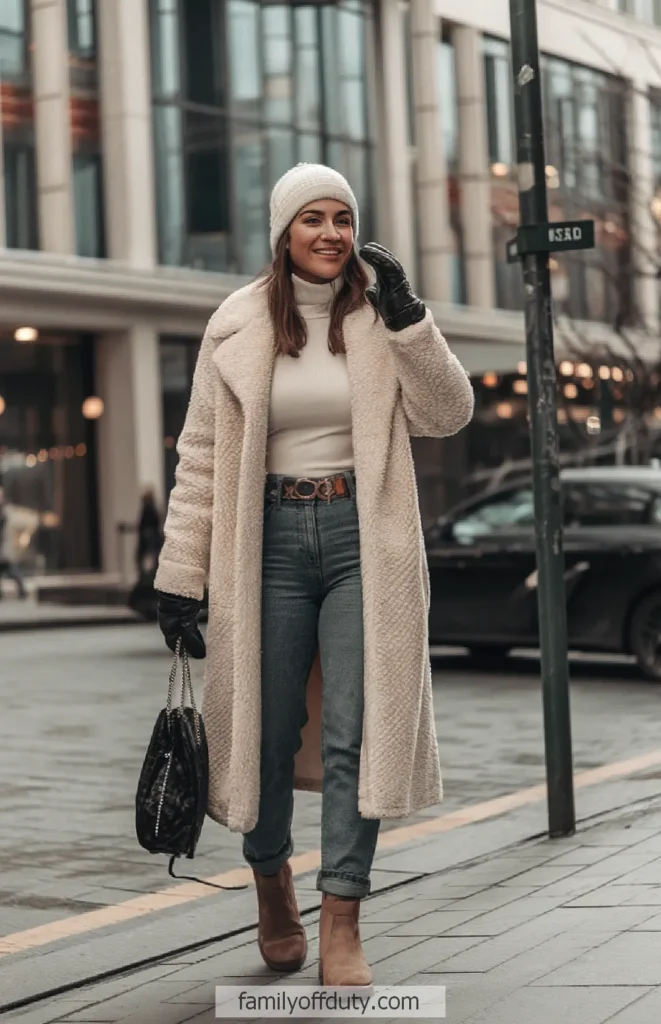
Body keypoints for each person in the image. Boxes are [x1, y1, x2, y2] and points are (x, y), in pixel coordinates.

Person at [154, 163, 474, 986]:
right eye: (312, 218)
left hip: (362, 537)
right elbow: (200, 455)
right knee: (263, 735)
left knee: (354, 734)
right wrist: (180, 573)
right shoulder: (235, 323)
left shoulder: (377, 319)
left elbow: (446, 414)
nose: (331, 233)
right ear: (283, 232)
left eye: (342, 218)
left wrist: (410, 320)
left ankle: (343, 916)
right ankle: (272, 882)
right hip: (264, 542)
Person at [0, 485, 27, 600]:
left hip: (5, 549)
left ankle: (22, 591)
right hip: (3, 548)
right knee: (11, 570)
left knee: (13, 570)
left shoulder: (7, 510)